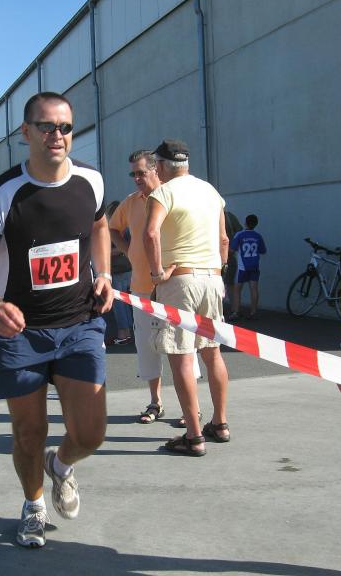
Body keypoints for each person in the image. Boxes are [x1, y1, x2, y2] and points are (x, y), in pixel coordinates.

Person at [0, 91, 113, 549]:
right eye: (47, 127)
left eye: (65, 127)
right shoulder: (6, 191)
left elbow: (100, 225)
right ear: (25, 132)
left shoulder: (91, 180)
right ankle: (33, 505)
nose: (57, 135)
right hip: (21, 333)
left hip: (80, 324)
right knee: (29, 433)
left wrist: (104, 273)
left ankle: (60, 465)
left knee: (91, 433)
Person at [143, 139, 230, 456]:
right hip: (212, 277)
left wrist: (156, 273)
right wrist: (220, 271)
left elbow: (151, 233)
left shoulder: (163, 193)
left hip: (180, 280)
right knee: (212, 352)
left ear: (161, 166)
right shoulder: (210, 192)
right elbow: (224, 238)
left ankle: (193, 436)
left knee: (181, 356)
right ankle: (220, 423)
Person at [109, 149, 201, 425]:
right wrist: (129, 250)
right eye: (133, 174)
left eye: (141, 173)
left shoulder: (174, 195)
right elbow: (112, 228)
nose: (136, 178)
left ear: (156, 170)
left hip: (175, 288)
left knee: (184, 349)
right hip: (141, 289)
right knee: (147, 347)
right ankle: (155, 402)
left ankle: (191, 410)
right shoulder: (130, 202)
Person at [228, 214, 267, 321]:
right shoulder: (258, 236)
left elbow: (232, 250)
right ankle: (253, 312)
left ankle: (236, 312)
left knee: (237, 289)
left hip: (242, 267)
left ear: (245, 222)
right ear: (256, 224)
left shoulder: (240, 235)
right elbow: (263, 251)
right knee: (254, 288)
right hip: (254, 266)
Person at [104, 200, 133, 345]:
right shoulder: (127, 228)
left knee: (119, 304)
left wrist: (107, 252)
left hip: (118, 271)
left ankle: (124, 332)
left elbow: (125, 248)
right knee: (126, 303)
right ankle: (128, 332)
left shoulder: (113, 230)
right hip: (127, 269)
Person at [222, 209, 243, 309]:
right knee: (228, 284)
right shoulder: (229, 216)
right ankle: (234, 310)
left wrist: (232, 248)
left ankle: (234, 310)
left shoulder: (228, 217)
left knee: (228, 284)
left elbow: (240, 233)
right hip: (222, 256)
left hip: (226, 256)